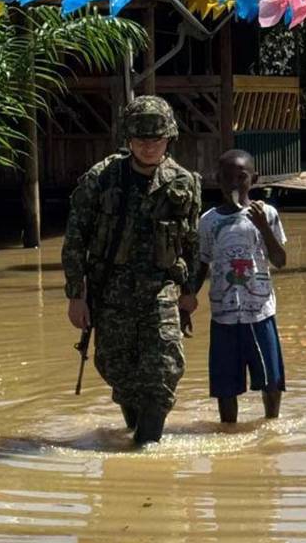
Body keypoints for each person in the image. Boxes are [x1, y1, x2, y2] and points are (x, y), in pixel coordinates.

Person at [61, 95, 202, 446]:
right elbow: (75, 238)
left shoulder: (183, 183)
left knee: (164, 369)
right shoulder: (102, 178)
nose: (149, 147)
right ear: (128, 140)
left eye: (156, 139)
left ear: (169, 138)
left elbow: (192, 242)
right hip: (111, 290)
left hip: (161, 289)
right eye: (141, 140)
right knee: (118, 370)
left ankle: (145, 449)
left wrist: (189, 292)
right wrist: (76, 295)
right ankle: (136, 433)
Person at [192, 150, 288, 424]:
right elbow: (202, 263)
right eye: (227, 177)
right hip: (223, 315)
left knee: (271, 379)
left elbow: (280, 260)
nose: (234, 183)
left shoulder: (266, 214)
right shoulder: (209, 221)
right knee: (225, 385)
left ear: (254, 179)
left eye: (241, 177)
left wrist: (262, 227)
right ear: (217, 180)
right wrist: (188, 300)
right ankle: (228, 430)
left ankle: (272, 425)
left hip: (259, 312)